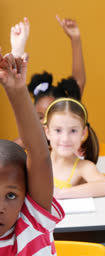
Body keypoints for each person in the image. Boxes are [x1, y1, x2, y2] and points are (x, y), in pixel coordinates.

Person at [0, 51, 65, 255]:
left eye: (10, 195)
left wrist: (17, 90)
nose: (0, 207)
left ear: (27, 194)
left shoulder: (32, 218)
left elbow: (39, 155)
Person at [10, 16, 87, 147]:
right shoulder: (28, 142)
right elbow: (15, 88)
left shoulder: (69, 144)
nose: (44, 123)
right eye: (39, 117)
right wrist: (17, 50)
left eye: (50, 117)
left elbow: (78, 82)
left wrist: (75, 39)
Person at [43, 98, 105, 199]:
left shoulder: (84, 167)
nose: (65, 138)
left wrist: (60, 194)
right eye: (58, 130)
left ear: (83, 133)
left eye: (73, 131)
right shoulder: (37, 162)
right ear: (48, 132)